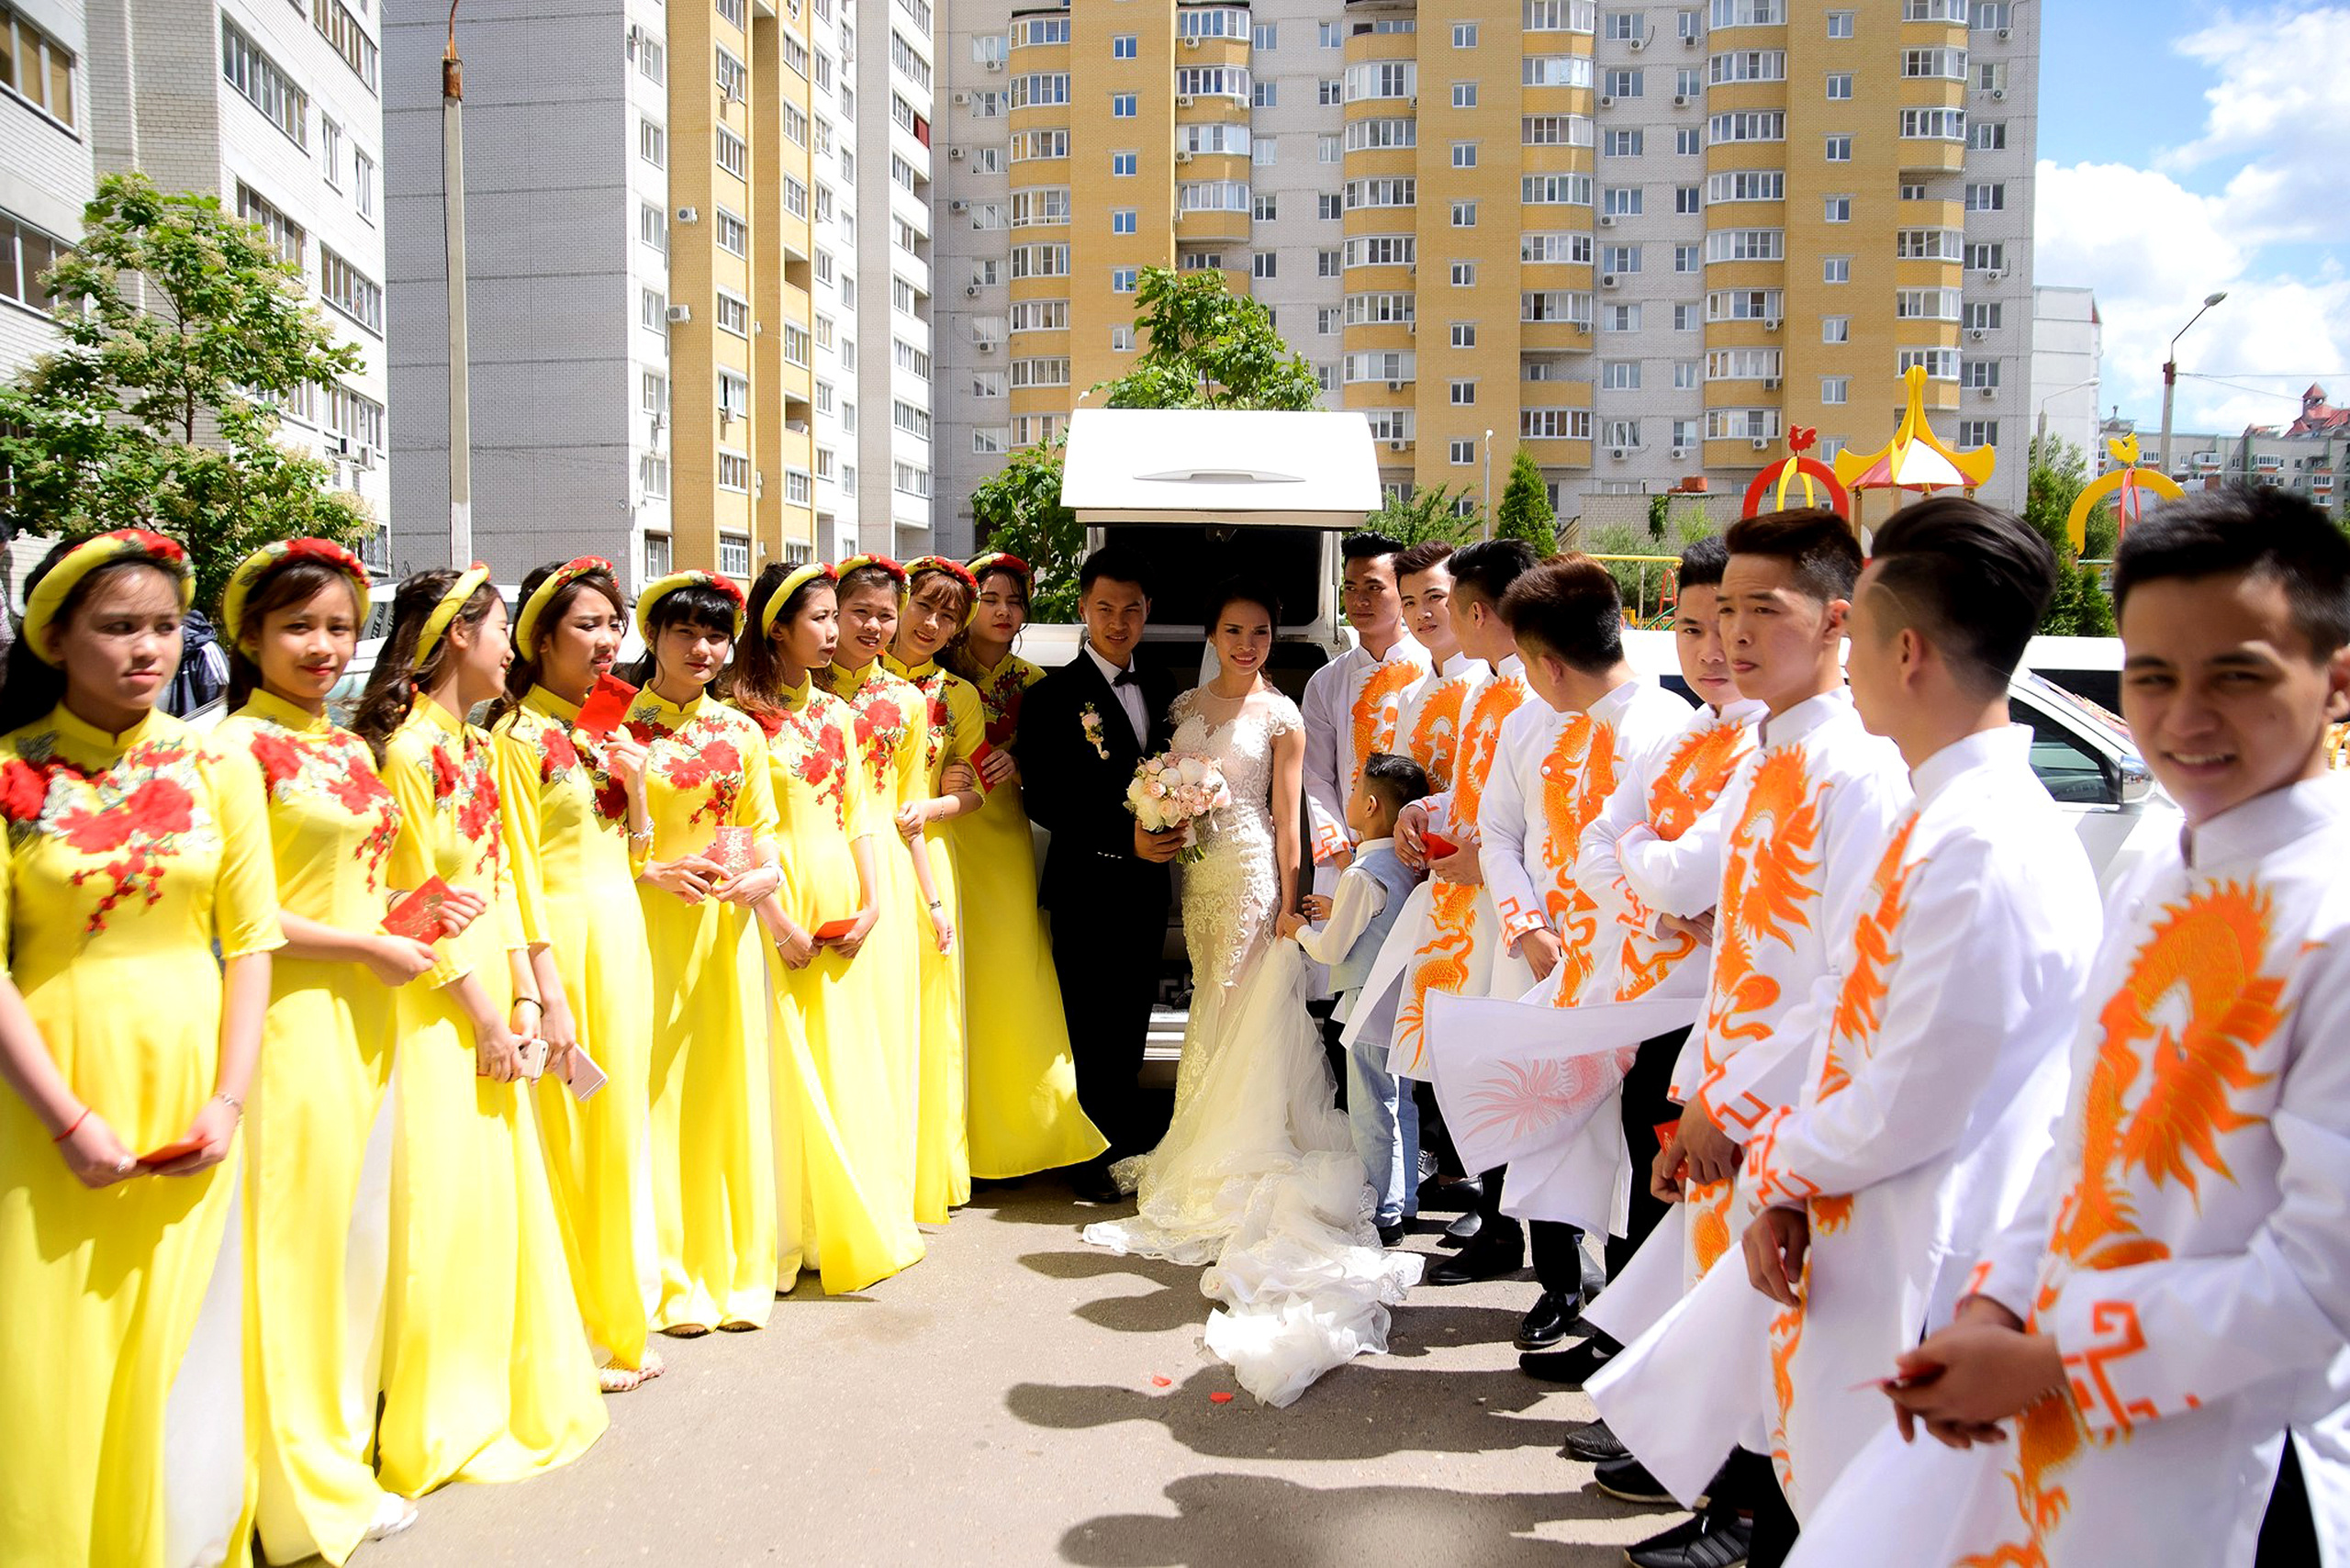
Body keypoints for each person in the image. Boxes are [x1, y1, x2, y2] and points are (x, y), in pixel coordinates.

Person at [1789, 487, 2350, 1568]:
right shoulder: (2165, 868)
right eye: (2152, 676)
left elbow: (2322, 1282)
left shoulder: (2332, 913)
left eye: (2236, 675)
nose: (2184, 717)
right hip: (2073, 1411)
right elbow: (2081, 1134)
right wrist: (1998, 1304)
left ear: (2335, 680)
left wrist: (2054, 1356)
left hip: (2234, 1462)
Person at [1593, 499, 2102, 1568]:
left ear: (1897, 649)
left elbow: (1902, 1088)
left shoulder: (1971, 839)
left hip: (1915, 1240)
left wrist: (1767, 1157)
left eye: (1851, 627)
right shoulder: (1930, 812)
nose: (1735, 638)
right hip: (1843, 1199)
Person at [1577, 510, 1909, 1562]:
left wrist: (1730, 1100)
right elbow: (1735, 949)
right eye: (1722, 612)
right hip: (1736, 1106)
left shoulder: (1855, 772)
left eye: (1763, 610)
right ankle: (1735, 1513)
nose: (1732, 636)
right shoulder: (1762, 757)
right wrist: (1700, 1089)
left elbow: (1850, 986)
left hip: (1799, 1118)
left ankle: (1753, 1526)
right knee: (1743, 1340)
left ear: (1838, 620)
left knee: (1794, 1356)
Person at [0, 531, 276, 1568]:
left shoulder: (218, 764)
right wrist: (66, 1120)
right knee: (55, 1340)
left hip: (197, 1075)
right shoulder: (10, 770)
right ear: (55, 636)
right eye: (118, 627)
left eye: (164, 626)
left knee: (192, 1338)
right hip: (49, 1086)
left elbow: (252, 942)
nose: (148, 649)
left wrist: (229, 1101)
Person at [1082, 579, 1420, 1406]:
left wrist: (1291, 901)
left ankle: (1239, 1143)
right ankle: (1200, 1134)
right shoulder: (1184, 706)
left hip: (1254, 877)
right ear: (1213, 634)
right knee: (1211, 1003)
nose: (1248, 644)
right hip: (1199, 878)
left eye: (1261, 633)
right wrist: (1164, 809)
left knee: (1248, 1007)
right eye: (1235, 631)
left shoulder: (1282, 716)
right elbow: (1167, 786)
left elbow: (1287, 813)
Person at [352, 566, 607, 1497]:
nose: (511, 648)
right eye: (501, 630)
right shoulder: (407, 754)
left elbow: (504, 881)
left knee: (493, 1204)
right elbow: (410, 899)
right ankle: (434, 1409)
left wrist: (531, 998)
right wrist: (488, 1016)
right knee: (441, 1207)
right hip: (437, 1011)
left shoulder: (472, 745)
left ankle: (490, 1386)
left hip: (496, 1004)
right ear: (458, 635)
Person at [217, 538, 424, 1560]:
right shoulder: (233, 752)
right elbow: (240, 917)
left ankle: (339, 1449)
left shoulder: (345, 748)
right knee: (291, 1252)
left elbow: (359, 886)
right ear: (248, 635)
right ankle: (288, 1484)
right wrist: (369, 945)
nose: (323, 646)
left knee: (354, 1241)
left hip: (366, 1017)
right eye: (297, 626)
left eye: (340, 626)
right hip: (288, 1020)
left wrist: (410, 918)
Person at [1531, 541, 1762, 1440]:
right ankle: (1631, 1375)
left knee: (1688, 1214)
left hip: (1721, 1017)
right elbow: (1598, 848)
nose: (1713, 649)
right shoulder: (1689, 733)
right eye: (1694, 628)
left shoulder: (1760, 743)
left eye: (1731, 625)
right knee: (1652, 1192)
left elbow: (1669, 866)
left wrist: (1657, 872)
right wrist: (1662, 892)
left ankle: (1663, 1408)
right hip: (1656, 999)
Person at [1468, 557, 1695, 1348]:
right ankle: (1561, 1289)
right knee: (1545, 1132)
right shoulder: (1525, 725)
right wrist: (1526, 924)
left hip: (1641, 981)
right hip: (1545, 960)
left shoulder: (1666, 729)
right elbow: (1498, 831)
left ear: (1549, 664)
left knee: (1637, 1148)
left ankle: (1624, 1325)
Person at [487, 558, 664, 1391]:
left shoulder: (601, 729)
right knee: (566, 1136)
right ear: (540, 636)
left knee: (618, 1129)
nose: (606, 640)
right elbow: (516, 874)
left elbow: (635, 856)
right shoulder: (514, 739)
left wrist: (637, 786)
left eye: (612, 623)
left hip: (621, 937)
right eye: (587, 624)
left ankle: (618, 1313)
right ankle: (576, 1333)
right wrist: (545, 992)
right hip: (560, 946)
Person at [734, 562, 925, 1294]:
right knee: (779, 1069)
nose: (833, 631)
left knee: (841, 1059)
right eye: (818, 619)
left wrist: (874, 902)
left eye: (829, 618)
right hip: (771, 905)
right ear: (777, 628)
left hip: (840, 895)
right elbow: (735, 832)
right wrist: (775, 917)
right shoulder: (738, 717)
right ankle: (786, 1227)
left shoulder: (837, 716)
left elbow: (858, 818)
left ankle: (834, 1219)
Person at [618, 570, 786, 1335]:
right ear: (652, 636)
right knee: (651, 1088)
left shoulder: (741, 732)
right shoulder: (613, 723)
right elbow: (580, 834)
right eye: (684, 632)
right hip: (643, 926)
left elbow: (757, 829)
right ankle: (660, 1274)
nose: (701, 648)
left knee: (720, 1088)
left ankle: (726, 1268)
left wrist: (764, 874)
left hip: (722, 933)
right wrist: (647, 870)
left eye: (716, 635)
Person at [1019, 544, 1180, 1204]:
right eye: (1105, 608)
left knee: (1133, 1016)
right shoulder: (1050, 695)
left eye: (1131, 609)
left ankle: (1124, 1139)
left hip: (1147, 887)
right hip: (1087, 884)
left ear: (1148, 612)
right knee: (1086, 1022)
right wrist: (1125, 838)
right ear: (1084, 608)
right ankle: (1087, 1152)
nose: (1119, 622)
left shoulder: (1165, 686)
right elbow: (1044, 798)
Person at [945, 552, 1108, 1182]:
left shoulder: (1037, 682)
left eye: (1014, 601)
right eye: (990, 599)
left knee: (1011, 970)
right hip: (944, 830)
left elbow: (1059, 767)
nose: (1003, 611)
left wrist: (1023, 764)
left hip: (1004, 836)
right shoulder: (935, 675)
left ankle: (1022, 1129)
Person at [819, 555, 952, 1216]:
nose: (873, 627)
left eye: (884, 616)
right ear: (832, 616)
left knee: (884, 1034)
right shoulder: (797, 696)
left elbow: (910, 811)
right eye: (859, 613)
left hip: (890, 878)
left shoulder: (907, 702)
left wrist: (931, 900)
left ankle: (883, 1186)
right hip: (817, 866)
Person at [1287, 751, 1429, 1245]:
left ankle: (1382, 1210)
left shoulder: (1361, 873)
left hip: (1369, 1000)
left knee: (1371, 1103)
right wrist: (1338, 908)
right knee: (1400, 1099)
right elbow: (1379, 918)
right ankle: (1406, 1200)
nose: (1348, 798)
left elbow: (1332, 949)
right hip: (1403, 999)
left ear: (1370, 805)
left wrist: (1298, 929)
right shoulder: (1406, 865)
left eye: (1353, 791)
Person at [885, 555, 989, 1222]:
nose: (932, 623)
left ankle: (924, 1171)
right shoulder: (844, 681)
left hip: (929, 855)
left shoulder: (960, 696)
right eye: (924, 606)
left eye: (948, 617)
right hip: (858, 853)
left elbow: (973, 791)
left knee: (929, 1012)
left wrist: (934, 808)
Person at [1300, 533, 1431, 877]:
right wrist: (1340, 852)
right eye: (1350, 588)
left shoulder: (1432, 669)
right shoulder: (1326, 682)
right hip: (1347, 856)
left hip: (1422, 850)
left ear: (1402, 592)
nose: (1359, 600)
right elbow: (1316, 777)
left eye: (1374, 588)